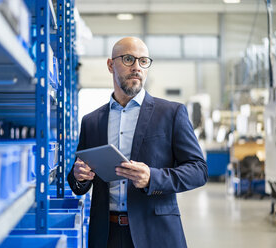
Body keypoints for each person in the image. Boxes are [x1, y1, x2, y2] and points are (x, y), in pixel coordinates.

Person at [67, 37, 208, 248]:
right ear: (110, 64)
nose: (137, 67)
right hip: (107, 235)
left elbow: (199, 170)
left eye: (143, 61)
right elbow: (78, 184)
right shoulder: (91, 121)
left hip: (156, 233)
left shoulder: (171, 114)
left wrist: (153, 177)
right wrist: (80, 176)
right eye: (128, 59)